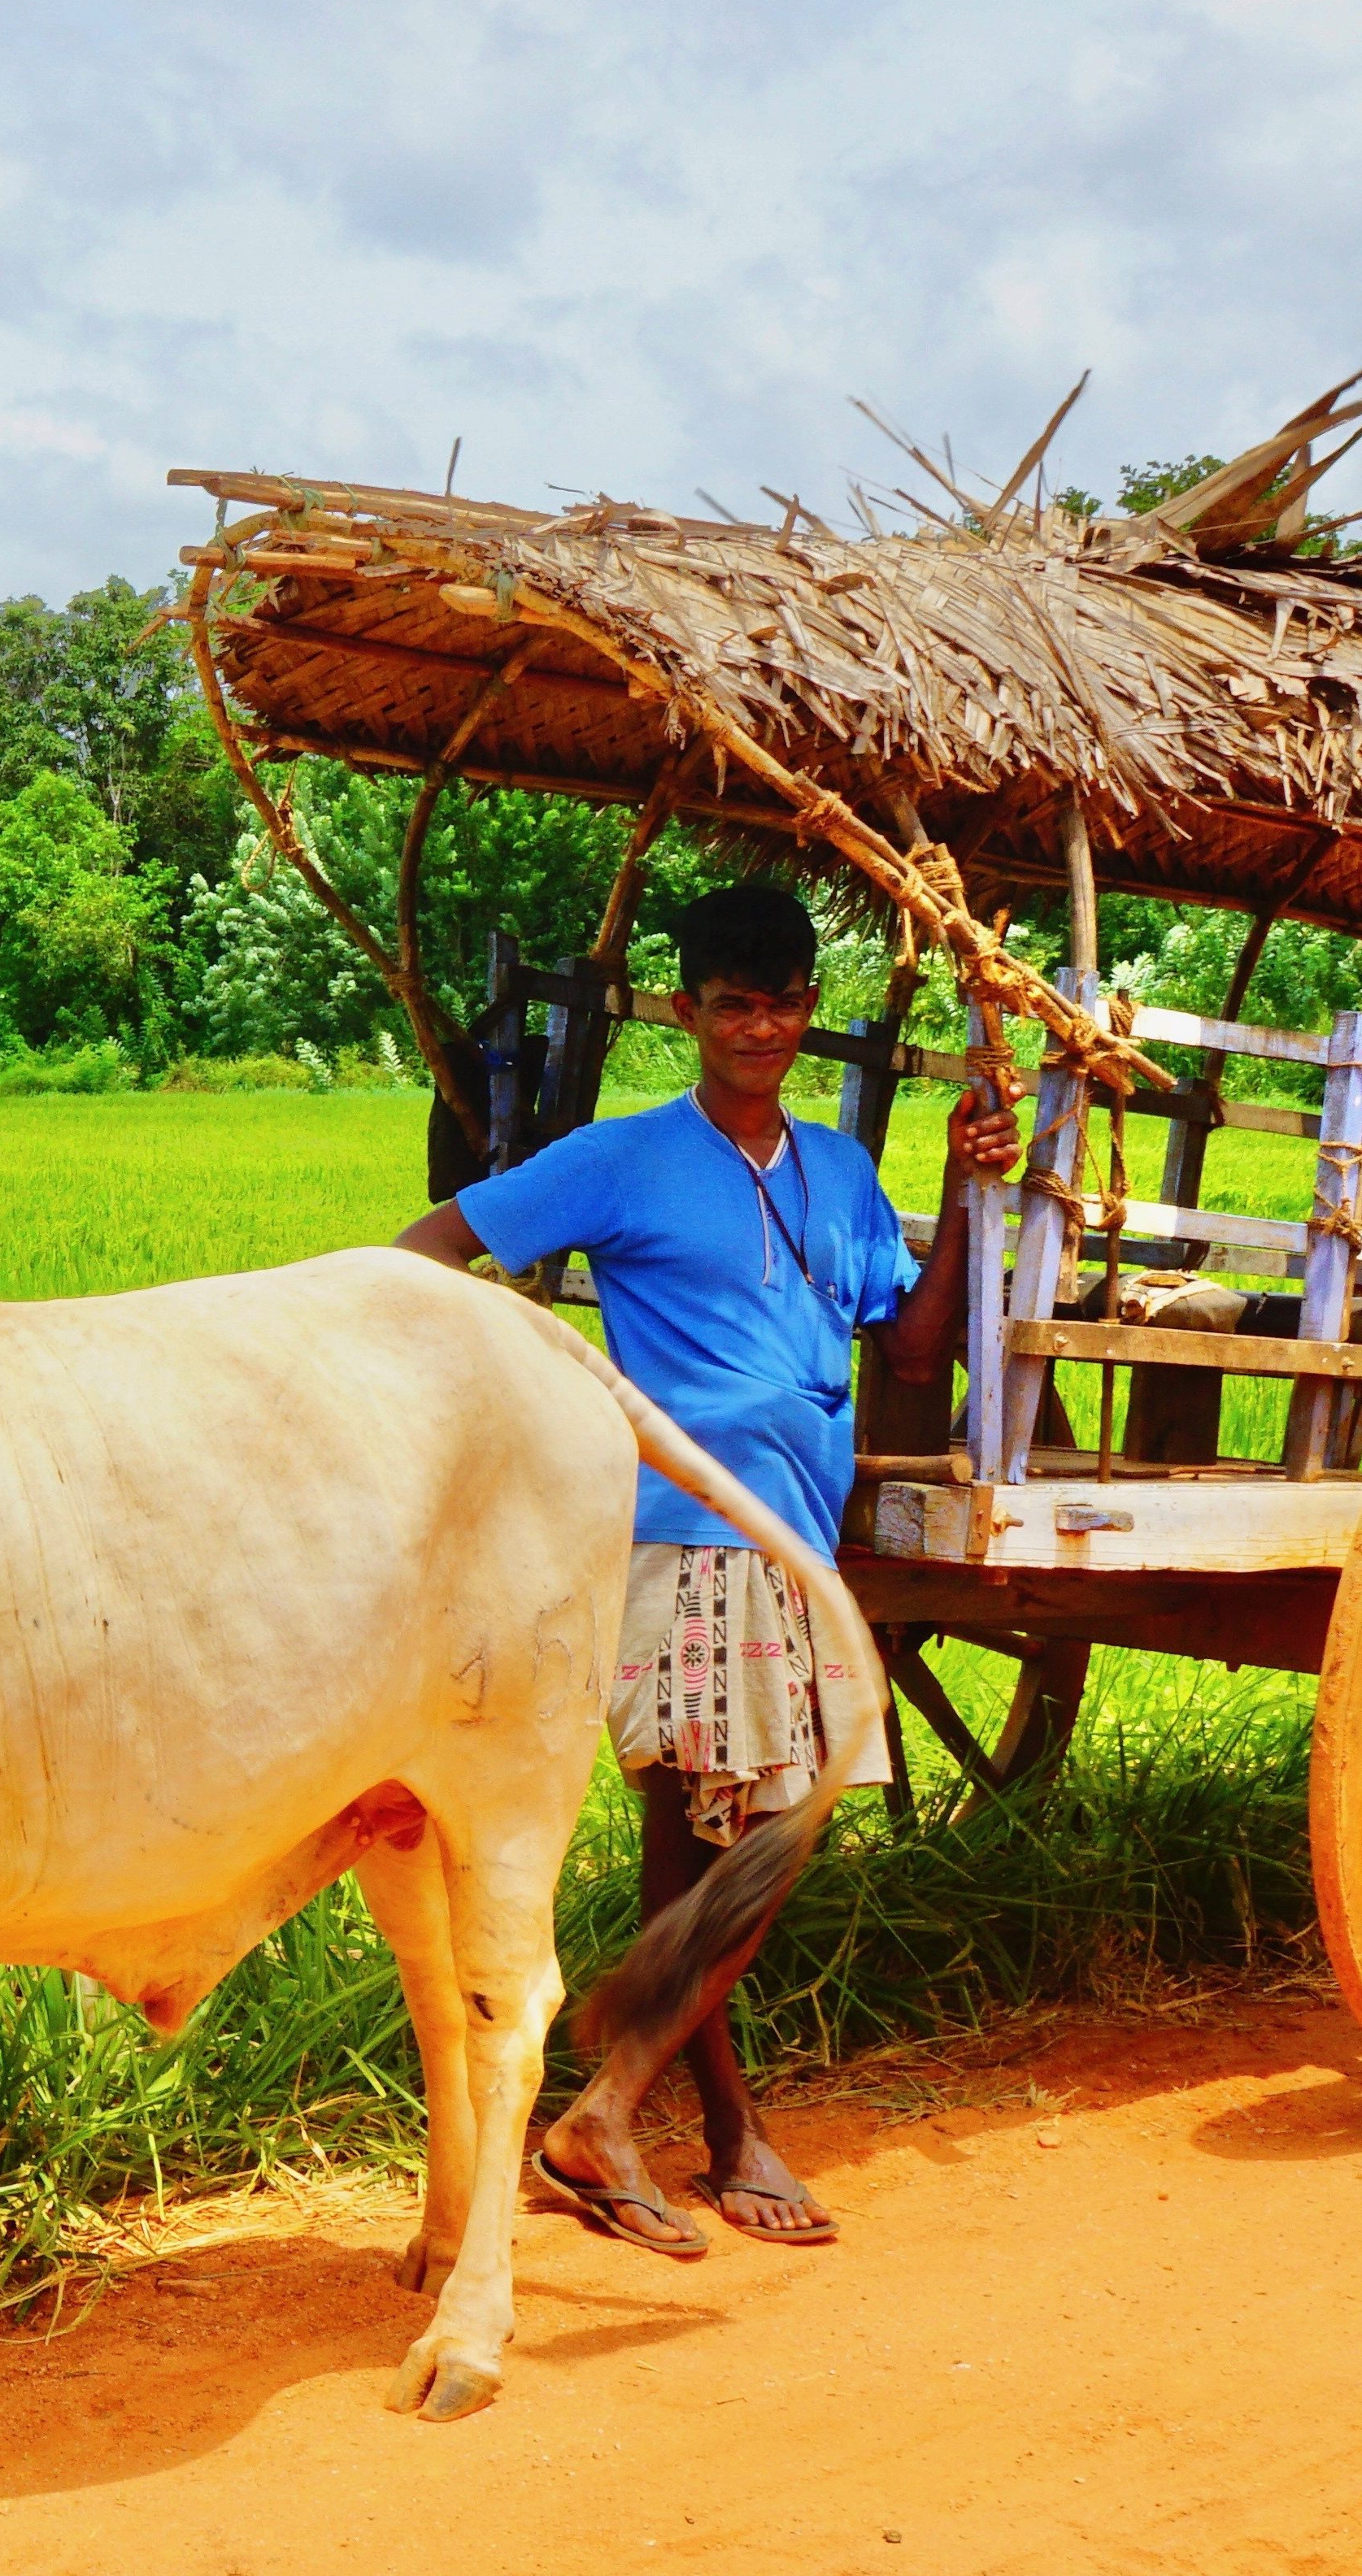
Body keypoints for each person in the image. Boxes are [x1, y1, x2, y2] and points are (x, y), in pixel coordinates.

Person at [394, 882, 1020, 2258]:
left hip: (798, 1539)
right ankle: (618, 2112)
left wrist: (971, 1186)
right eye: (732, 1002)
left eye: (784, 1003)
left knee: (710, 1848)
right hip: (683, 1540)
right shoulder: (619, 1160)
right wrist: (521, 1398)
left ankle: (689, 2125)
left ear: (807, 1011)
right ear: (686, 1012)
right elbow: (429, 1252)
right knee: (762, 1840)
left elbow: (911, 1349)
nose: (761, 1027)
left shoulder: (841, 1178)